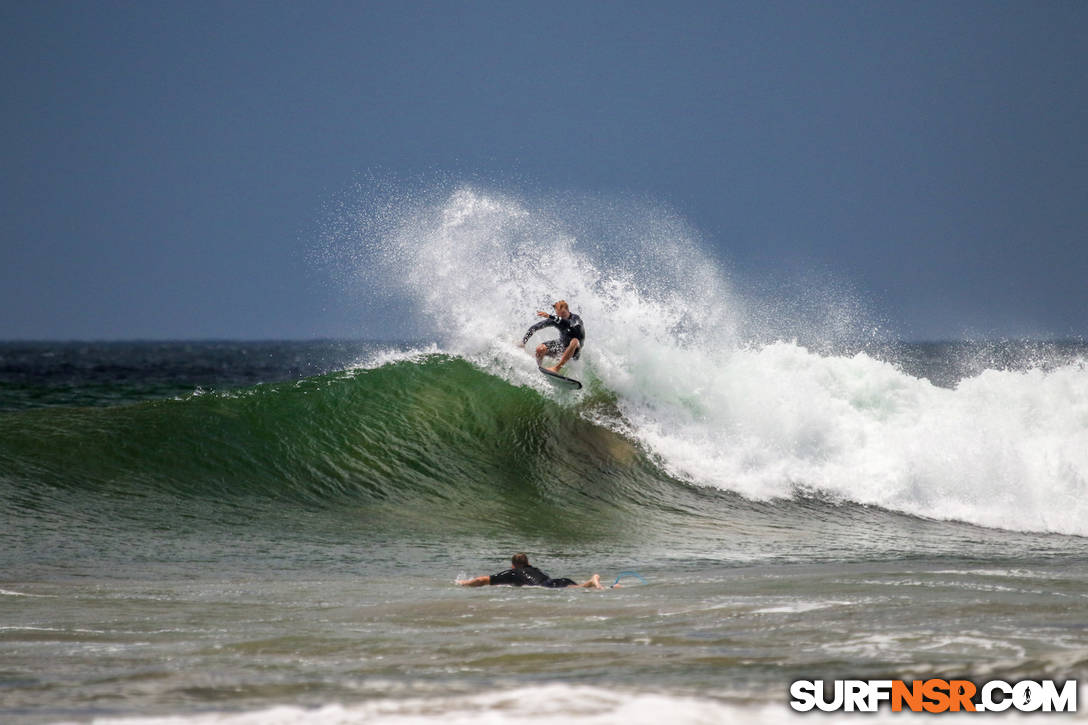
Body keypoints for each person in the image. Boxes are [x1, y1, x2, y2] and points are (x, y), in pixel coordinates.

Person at [457, 553, 605, 589]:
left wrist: (464, 583)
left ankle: (592, 581)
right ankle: (595, 582)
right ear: (528, 562)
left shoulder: (513, 573)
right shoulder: (535, 569)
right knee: (577, 588)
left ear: (513, 565)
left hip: (544, 587)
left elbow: (481, 580)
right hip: (558, 581)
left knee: (577, 590)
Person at [520, 299, 584, 373]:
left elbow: (568, 324)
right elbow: (535, 327)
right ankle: (539, 369)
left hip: (574, 352)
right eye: (559, 314)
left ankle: (556, 369)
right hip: (561, 346)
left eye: (563, 313)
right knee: (540, 349)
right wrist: (523, 342)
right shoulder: (555, 320)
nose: (561, 316)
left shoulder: (576, 319)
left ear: (567, 310)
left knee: (575, 341)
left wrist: (550, 316)